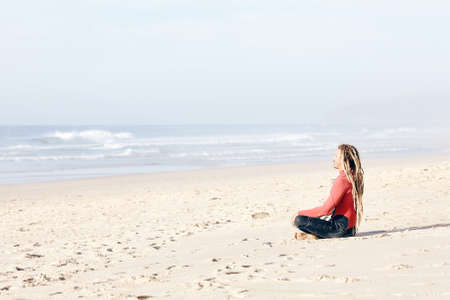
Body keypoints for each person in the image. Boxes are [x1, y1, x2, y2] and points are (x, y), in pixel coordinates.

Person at [291, 144, 364, 239]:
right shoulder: (352, 178)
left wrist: (299, 213)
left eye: (336, 156)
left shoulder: (342, 180)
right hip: (351, 229)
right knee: (318, 218)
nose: (333, 159)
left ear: (344, 161)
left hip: (340, 229)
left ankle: (316, 235)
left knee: (299, 220)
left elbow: (325, 210)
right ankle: (315, 235)